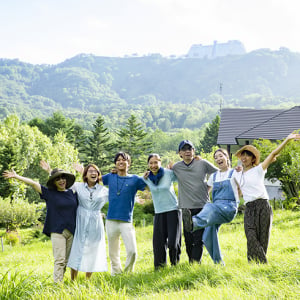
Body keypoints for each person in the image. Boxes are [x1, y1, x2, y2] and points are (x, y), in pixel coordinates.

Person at [234, 132, 300, 263]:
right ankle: (263, 263)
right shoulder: (237, 174)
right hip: (249, 208)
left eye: (248, 155)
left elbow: (273, 154)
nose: (245, 157)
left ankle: (257, 267)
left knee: (263, 239)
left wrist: (287, 140)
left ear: (253, 159)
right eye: (243, 154)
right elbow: (238, 190)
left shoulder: (259, 169)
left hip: (263, 205)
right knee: (251, 236)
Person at [3, 166, 77, 283]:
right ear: (54, 182)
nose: (61, 181)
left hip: (72, 231)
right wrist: (17, 176)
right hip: (57, 231)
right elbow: (33, 183)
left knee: (67, 261)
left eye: (63, 178)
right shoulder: (49, 193)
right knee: (60, 260)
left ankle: (60, 280)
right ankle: (58, 285)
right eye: (58, 179)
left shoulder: (72, 194)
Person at [182, 148, 240, 264]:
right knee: (207, 236)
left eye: (220, 156)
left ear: (227, 157)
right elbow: (205, 192)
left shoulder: (235, 173)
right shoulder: (213, 176)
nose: (218, 159)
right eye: (216, 157)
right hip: (216, 211)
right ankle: (219, 264)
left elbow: (243, 187)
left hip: (228, 207)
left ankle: (193, 223)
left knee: (209, 206)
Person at [172, 140, 218, 263]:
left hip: (202, 206)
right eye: (184, 149)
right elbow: (163, 174)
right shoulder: (176, 167)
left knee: (199, 238)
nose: (187, 151)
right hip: (186, 208)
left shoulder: (202, 163)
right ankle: (191, 261)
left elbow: (218, 173)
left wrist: (208, 188)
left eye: (190, 148)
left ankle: (195, 263)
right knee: (188, 238)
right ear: (180, 153)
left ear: (194, 151)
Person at [102, 152, 147, 275]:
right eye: (118, 160)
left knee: (132, 251)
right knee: (113, 252)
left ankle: (127, 273)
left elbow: (149, 185)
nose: (121, 162)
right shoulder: (110, 177)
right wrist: (81, 171)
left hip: (126, 220)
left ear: (129, 163)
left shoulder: (135, 179)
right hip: (111, 220)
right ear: (115, 163)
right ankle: (116, 273)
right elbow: (93, 178)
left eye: (124, 160)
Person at [67, 163, 109, 279]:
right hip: (80, 219)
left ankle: (87, 280)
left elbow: (117, 198)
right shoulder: (78, 186)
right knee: (77, 248)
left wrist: (135, 199)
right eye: (90, 171)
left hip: (95, 222)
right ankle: (73, 280)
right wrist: (50, 171)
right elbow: (62, 185)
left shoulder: (103, 190)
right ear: (85, 174)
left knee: (92, 249)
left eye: (95, 171)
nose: (93, 173)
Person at [143, 153, 181, 269]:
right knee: (158, 244)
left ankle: (175, 265)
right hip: (159, 212)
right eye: (151, 163)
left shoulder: (168, 173)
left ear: (160, 162)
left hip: (173, 210)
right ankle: (160, 268)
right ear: (148, 164)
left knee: (173, 243)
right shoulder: (146, 178)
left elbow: (184, 176)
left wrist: (195, 162)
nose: (153, 165)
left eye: (156, 162)